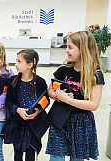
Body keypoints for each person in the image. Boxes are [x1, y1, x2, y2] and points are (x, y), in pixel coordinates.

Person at [46, 31, 105, 161]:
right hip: (59, 119)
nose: (66, 50)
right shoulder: (63, 70)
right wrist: (57, 95)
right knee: (56, 156)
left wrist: (67, 100)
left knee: (77, 157)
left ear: (83, 49)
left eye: (70, 47)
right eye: (66, 47)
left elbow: (93, 105)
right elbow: (50, 90)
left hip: (81, 122)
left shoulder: (95, 74)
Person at [2, 49, 50, 161]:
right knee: (17, 154)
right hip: (17, 125)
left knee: (30, 154)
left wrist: (37, 111)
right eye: (16, 61)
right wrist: (18, 110)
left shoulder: (40, 82)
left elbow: (45, 99)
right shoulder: (12, 81)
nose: (16, 64)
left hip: (33, 126)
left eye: (19, 61)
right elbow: (8, 102)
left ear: (30, 64)